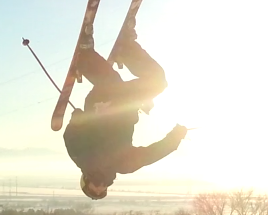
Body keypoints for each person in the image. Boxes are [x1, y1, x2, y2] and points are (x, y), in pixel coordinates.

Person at [63, 23, 186, 200]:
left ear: (85, 181)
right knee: (158, 81)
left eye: (93, 188)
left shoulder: (84, 159)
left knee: (112, 82)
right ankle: (127, 48)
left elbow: (71, 137)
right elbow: (152, 154)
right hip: (126, 106)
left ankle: (86, 55)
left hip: (102, 107)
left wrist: (77, 121)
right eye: (102, 190)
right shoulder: (124, 164)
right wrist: (175, 138)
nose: (100, 186)